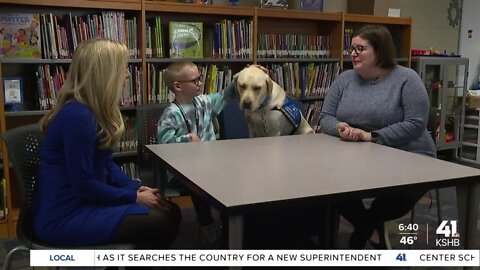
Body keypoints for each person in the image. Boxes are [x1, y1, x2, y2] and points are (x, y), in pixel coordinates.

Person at [35, 38, 181, 249]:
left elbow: (106, 165)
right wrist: (132, 197)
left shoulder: (89, 111)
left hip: (85, 203)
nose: (128, 74)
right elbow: (84, 186)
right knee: (163, 219)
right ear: (104, 74)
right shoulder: (78, 116)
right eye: (123, 68)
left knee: (168, 210)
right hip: (65, 216)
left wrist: (137, 188)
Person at [319, 24, 436, 249]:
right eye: (352, 48)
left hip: (411, 155)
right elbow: (326, 117)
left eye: (360, 49)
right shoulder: (343, 79)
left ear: (380, 51)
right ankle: (371, 228)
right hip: (362, 156)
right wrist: (340, 128)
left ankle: (363, 232)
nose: (353, 54)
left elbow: (415, 124)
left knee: (395, 199)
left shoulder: (407, 79)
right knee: (329, 188)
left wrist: (371, 136)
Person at [157, 61, 234, 247]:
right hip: (182, 172)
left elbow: (226, 94)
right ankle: (206, 225)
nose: (200, 83)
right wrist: (185, 140)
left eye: (199, 79)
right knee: (199, 187)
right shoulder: (170, 114)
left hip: (210, 166)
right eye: (195, 80)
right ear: (178, 86)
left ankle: (230, 227)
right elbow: (163, 145)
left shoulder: (204, 102)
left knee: (232, 182)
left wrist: (243, 76)